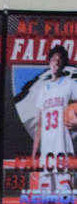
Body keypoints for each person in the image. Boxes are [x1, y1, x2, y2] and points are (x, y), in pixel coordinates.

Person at [31, 46, 77, 193]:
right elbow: (40, 124)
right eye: (53, 59)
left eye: (59, 60)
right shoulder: (43, 90)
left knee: (66, 196)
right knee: (45, 197)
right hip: (46, 151)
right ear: (49, 62)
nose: (56, 62)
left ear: (63, 64)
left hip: (63, 147)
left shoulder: (70, 84)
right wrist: (34, 153)